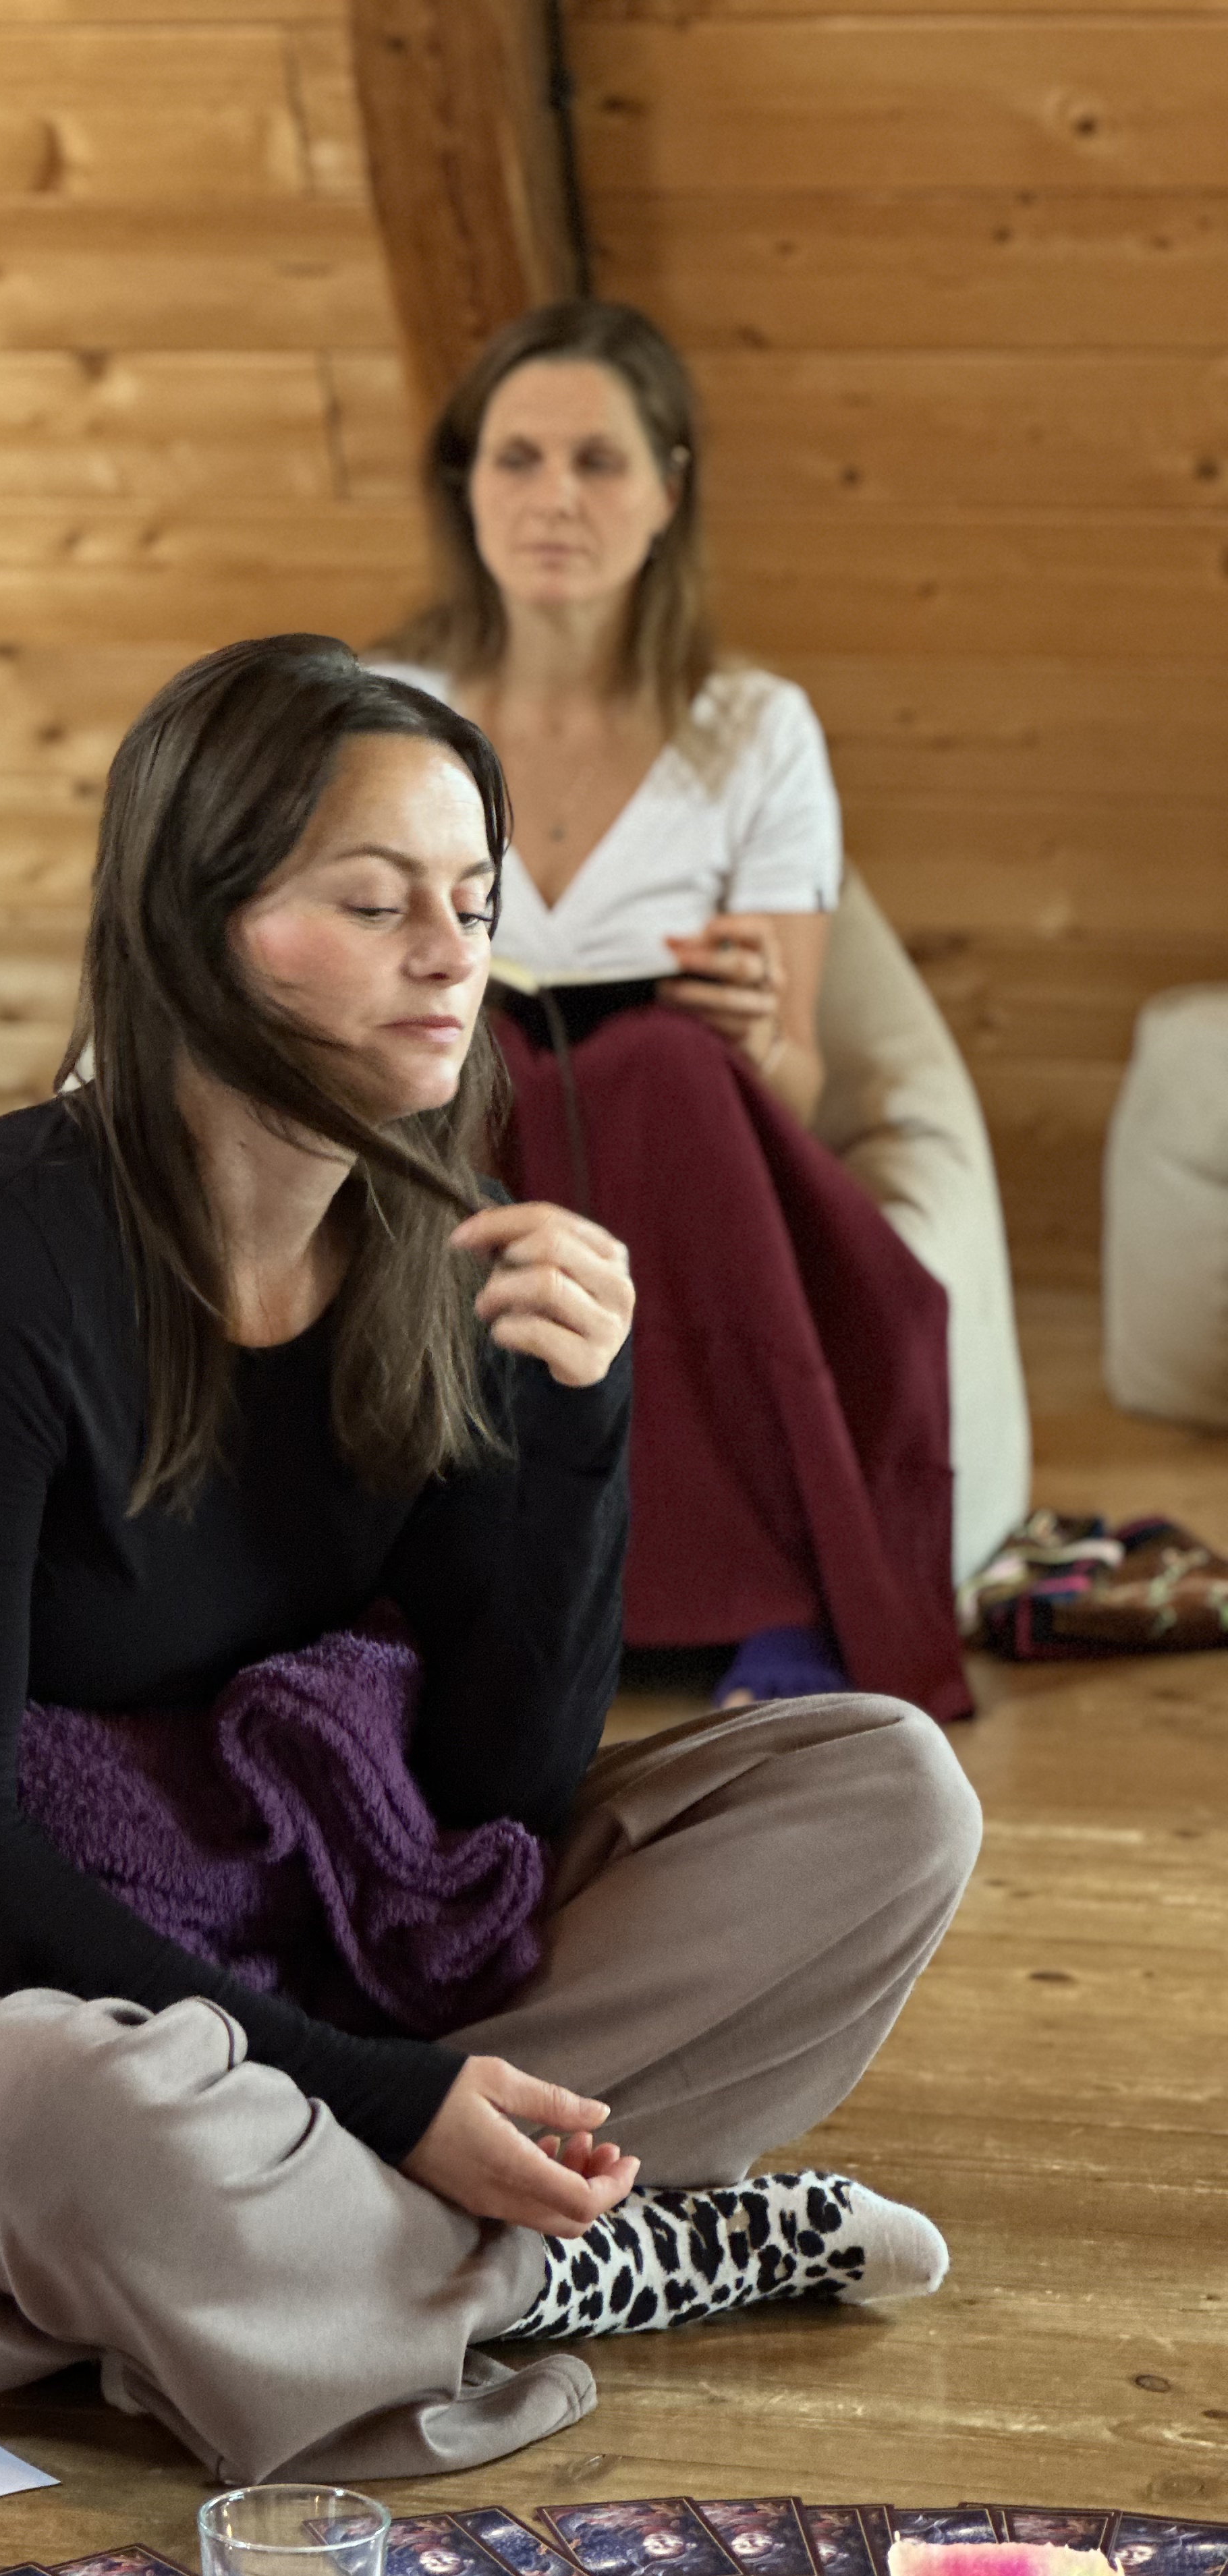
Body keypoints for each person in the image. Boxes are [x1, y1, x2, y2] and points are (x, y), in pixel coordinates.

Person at [0, 635, 982, 2486]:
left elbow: (492, 1802)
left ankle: (339, 2270)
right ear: (200, 923)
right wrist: (391, 2100)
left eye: (473, 902)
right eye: (374, 901)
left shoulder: (436, 1248)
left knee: (889, 1792)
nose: (452, 954)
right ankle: (557, 2259)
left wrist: (579, 1430)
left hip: (292, 1956)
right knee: (81, 2119)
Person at [371, 302, 970, 1721]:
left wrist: (759, 1032)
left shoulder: (756, 728)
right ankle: (435, 1580)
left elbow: (798, 1083)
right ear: (465, 485)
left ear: (667, 491)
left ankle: (763, 1593)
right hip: (454, 1117)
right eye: (517, 459)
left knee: (661, 1072)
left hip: (690, 1147)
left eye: (599, 461)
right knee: (479, 1061)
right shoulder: (381, 708)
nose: (555, 499)